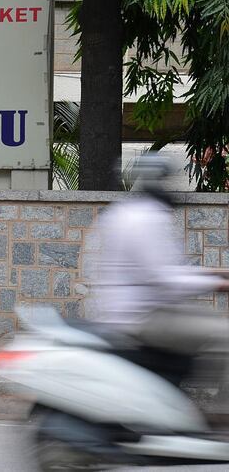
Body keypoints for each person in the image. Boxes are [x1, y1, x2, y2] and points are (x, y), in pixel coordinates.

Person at [92, 153, 229, 384]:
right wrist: (217, 283)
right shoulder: (146, 218)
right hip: (143, 317)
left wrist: (214, 273)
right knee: (222, 334)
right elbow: (164, 278)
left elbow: (163, 270)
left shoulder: (125, 213)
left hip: (138, 311)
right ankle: (218, 409)